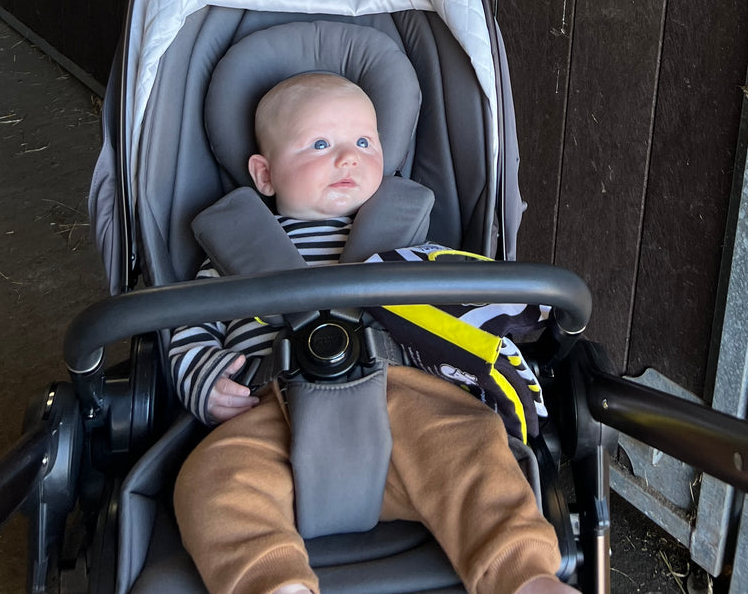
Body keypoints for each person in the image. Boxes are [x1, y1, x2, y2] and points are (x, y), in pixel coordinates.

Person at [171, 72, 566, 594]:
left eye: (363, 142)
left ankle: (524, 577)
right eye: (319, 144)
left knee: (472, 445)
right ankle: (274, 583)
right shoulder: (230, 254)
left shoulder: (410, 243)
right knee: (211, 480)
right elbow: (185, 324)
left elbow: (463, 313)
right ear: (264, 175)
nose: (348, 158)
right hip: (272, 420)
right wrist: (205, 376)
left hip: (406, 408)